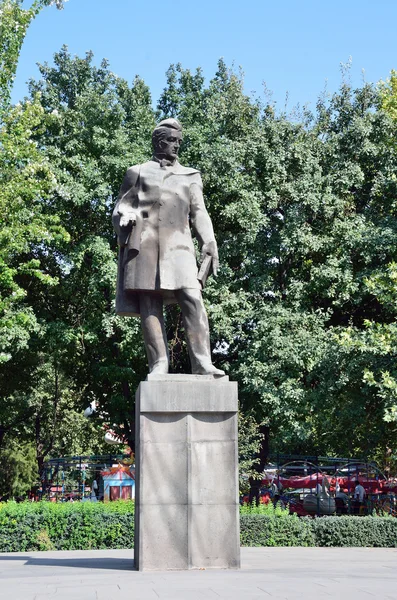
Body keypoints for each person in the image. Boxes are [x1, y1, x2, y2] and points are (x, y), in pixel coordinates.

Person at [112, 119, 224, 376]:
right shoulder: (137, 172)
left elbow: (199, 212)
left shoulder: (191, 175)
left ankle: (203, 363)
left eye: (179, 141)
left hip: (180, 247)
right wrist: (124, 217)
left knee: (192, 297)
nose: (176, 145)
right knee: (149, 304)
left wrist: (208, 239)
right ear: (158, 141)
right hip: (144, 246)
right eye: (171, 140)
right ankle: (159, 364)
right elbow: (121, 206)